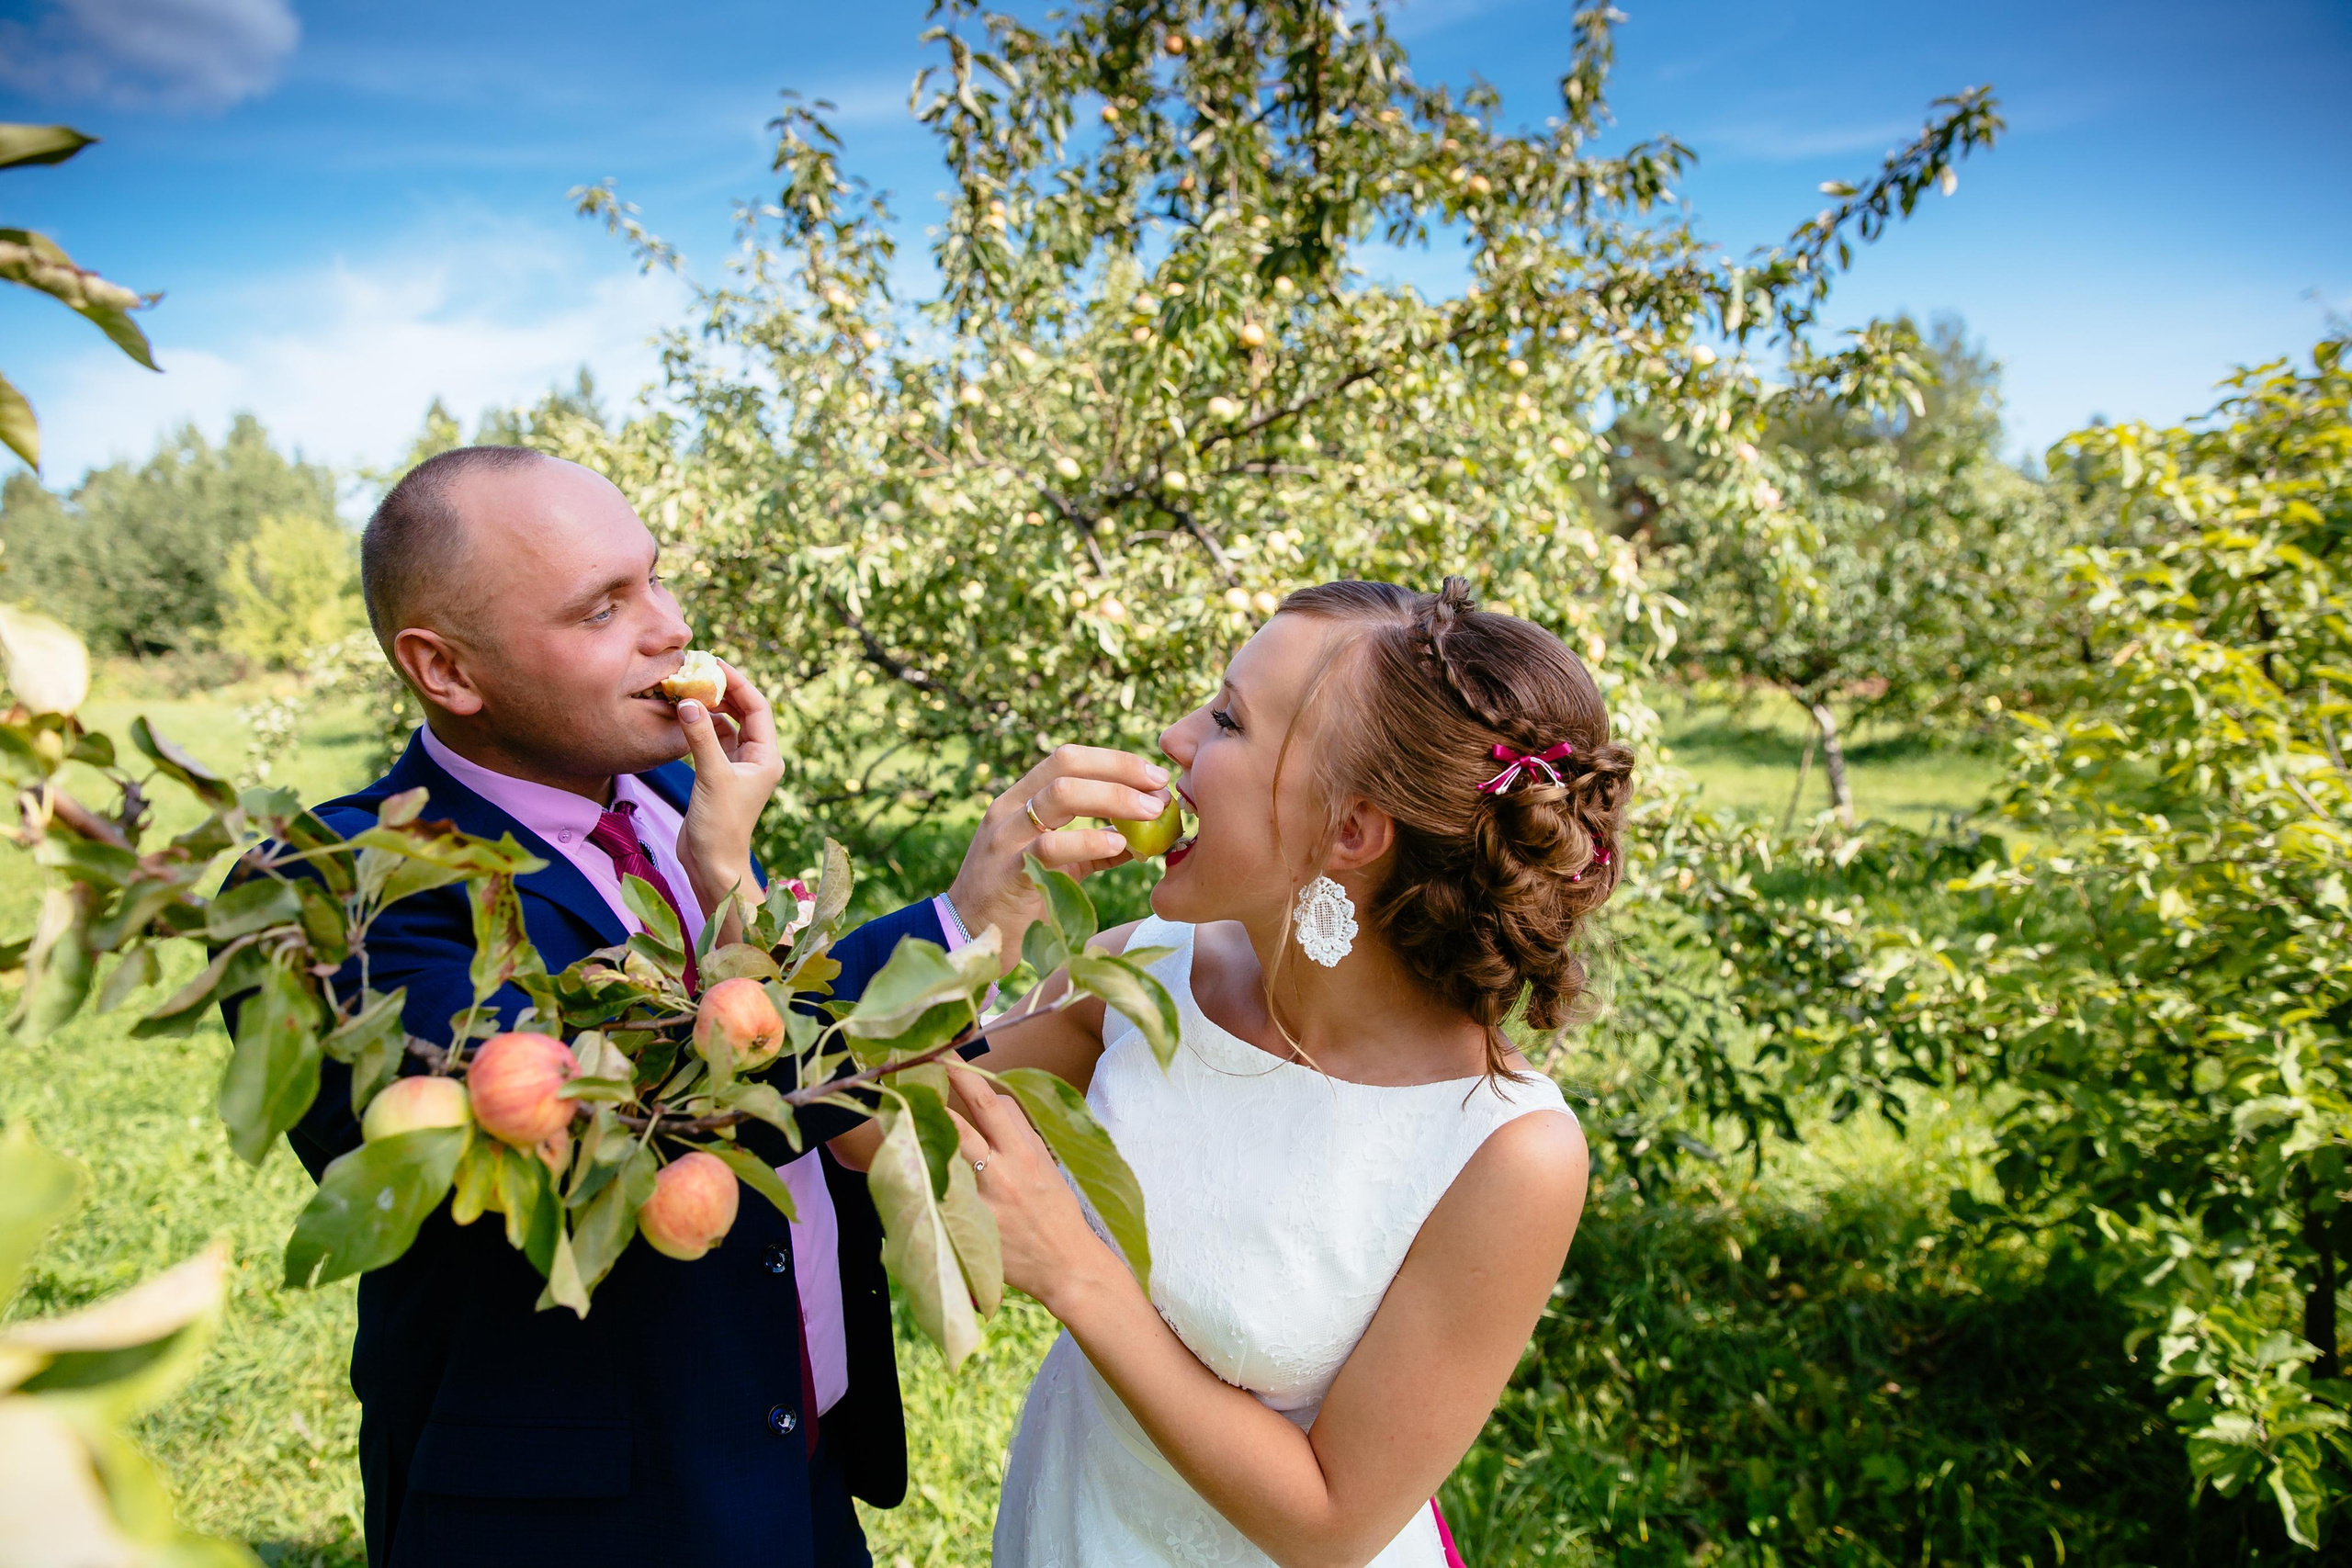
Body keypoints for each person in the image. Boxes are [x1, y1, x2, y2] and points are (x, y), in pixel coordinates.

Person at [250, 445, 1172, 1568]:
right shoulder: (333, 887)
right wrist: (950, 927)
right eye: (602, 610)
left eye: (653, 577)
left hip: (794, 1453)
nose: (671, 626)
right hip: (580, 1519)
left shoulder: (676, 792)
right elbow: (590, 1123)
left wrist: (732, 877)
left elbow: (766, 1039)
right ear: (446, 671)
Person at [947, 577, 1623, 1567]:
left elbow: (1329, 1522)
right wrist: (968, 930)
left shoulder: (1507, 1150)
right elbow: (875, 1122)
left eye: (1227, 719)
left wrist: (1073, 1271)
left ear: (1349, 830)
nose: (1175, 739)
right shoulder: (1143, 971)